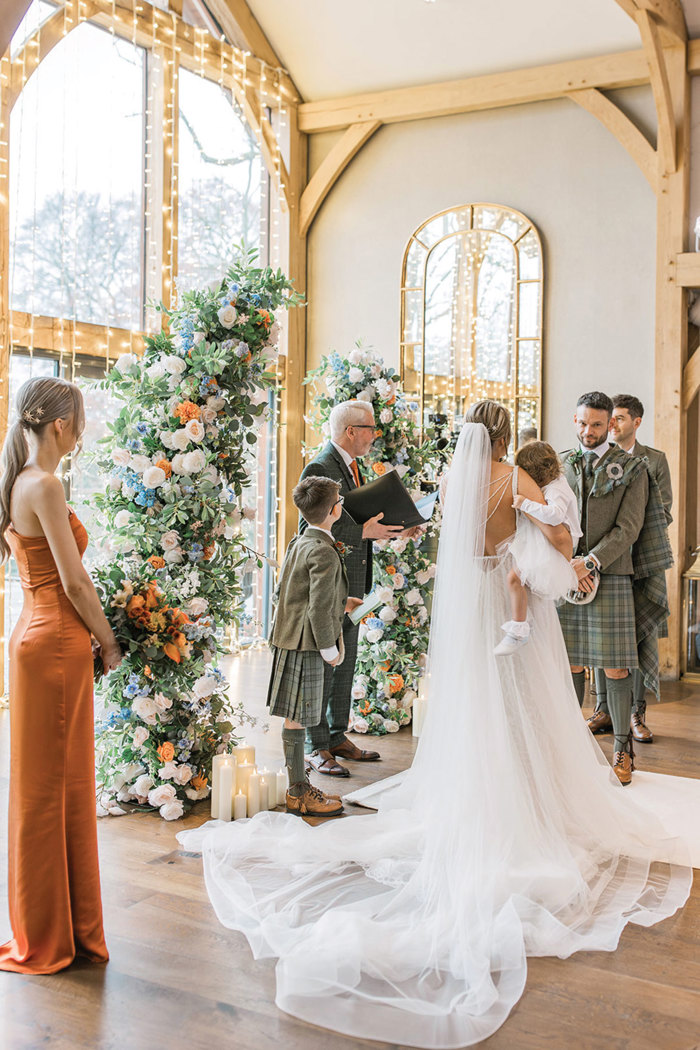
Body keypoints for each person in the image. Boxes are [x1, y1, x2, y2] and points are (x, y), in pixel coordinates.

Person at [179, 398, 691, 1049]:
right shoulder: (515, 478)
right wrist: (570, 553)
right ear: (503, 435)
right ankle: (530, 798)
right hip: (511, 596)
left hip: (472, 598)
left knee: (477, 701)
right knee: (522, 703)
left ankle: (475, 790)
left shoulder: (454, 481)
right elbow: (555, 535)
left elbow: (447, 540)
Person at [0, 376, 122, 974]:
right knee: (55, 791)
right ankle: (51, 932)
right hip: (54, 644)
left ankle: (58, 923)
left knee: (53, 787)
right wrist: (110, 641)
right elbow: (75, 583)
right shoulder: (43, 484)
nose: (84, 431)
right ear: (59, 426)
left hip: (36, 638)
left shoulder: (18, 482)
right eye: (82, 420)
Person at [557, 391, 671, 785]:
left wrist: (588, 562)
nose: (587, 431)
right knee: (569, 662)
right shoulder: (560, 464)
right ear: (574, 420)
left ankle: (623, 749)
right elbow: (551, 521)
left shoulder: (634, 468)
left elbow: (630, 527)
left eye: (597, 424)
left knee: (616, 666)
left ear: (611, 425)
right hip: (564, 575)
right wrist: (568, 563)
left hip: (613, 575)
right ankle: (569, 749)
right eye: (582, 423)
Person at [299, 400, 404, 777]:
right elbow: (310, 527)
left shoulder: (352, 467)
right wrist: (365, 532)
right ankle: (316, 746)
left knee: (346, 662)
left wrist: (395, 526)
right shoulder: (320, 467)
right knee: (323, 664)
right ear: (351, 431)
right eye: (371, 429)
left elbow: (356, 516)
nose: (375, 436)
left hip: (354, 578)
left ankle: (337, 734)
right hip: (330, 582)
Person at [267, 476, 363, 817]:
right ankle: (298, 792)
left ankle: (299, 787)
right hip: (308, 644)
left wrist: (343, 601)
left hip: (290, 637)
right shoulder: (323, 550)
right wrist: (330, 649)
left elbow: (297, 593)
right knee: (297, 718)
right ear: (334, 510)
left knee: (296, 717)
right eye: (340, 500)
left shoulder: (301, 541)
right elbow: (318, 610)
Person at [589, 394, 673, 744]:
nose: (613, 424)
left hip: (641, 562)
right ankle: (603, 709)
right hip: (605, 562)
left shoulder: (653, 460)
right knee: (601, 638)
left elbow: (663, 511)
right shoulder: (595, 459)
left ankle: (637, 713)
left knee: (638, 637)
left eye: (620, 418)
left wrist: (629, 532)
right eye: (612, 418)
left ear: (636, 422)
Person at [495, 440, 580, 655]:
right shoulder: (554, 483)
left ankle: (519, 629)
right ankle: (523, 624)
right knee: (519, 580)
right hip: (548, 544)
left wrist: (525, 503)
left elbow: (554, 515)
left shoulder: (556, 488)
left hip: (556, 548)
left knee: (515, 578)